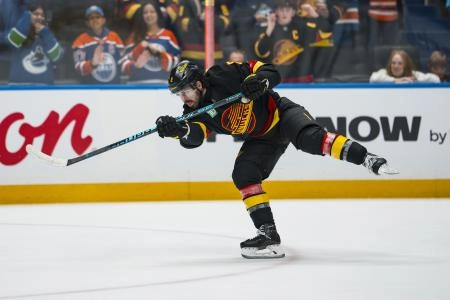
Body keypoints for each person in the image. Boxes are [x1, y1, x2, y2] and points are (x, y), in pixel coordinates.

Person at [155, 59, 399, 259]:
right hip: (262, 139)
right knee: (243, 174)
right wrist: (178, 131)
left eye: (184, 92)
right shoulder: (192, 112)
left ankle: (367, 158)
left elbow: (271, 70)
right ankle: (268, 235)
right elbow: (195, 136)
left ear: (198, 84)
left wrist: (259, 80)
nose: (182, 99)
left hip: (282, 114)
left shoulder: (224, 73)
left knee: (310, 139)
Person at [253, 0, 332, 83]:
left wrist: (314, 14)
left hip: (302, 78)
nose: (284, 13)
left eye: (287, 10)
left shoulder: (302, 26)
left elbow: (325, 32)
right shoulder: (268, 29)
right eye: (281, 10)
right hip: (278, 79)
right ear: (276, 12)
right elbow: (261, 52)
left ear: (293, 12)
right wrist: (269, 29)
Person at [120, 0, 180, 83]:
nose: (149, 15)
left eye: (152, 12)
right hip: (137, 87)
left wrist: (159, 54)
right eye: (145, 13)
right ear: (142, 16)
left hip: (163, 86)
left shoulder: (168, 35)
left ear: (158, 14)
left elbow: (178, 64)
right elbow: (122, 63)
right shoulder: (135, 36)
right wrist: (135, 65)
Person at [6, 1, 63, 84]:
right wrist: (27, 18)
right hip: (18, 89)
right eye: (36, 14)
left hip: (44, 89)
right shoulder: (16, 32)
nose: (39, 17)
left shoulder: (49, 35)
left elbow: (56, 57)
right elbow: (14, 40)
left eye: (42, 15)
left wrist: (45, 33)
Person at [72, 5, 125, 84]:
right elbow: (78, 67)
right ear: (87, 23)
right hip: (91, 90)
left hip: (113, 88)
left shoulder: (114, 37)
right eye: (91, 18)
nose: (95, 20)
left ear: (103, 20)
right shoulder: (80, 41)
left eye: (98, 17)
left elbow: (123, 62)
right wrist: (92, 64)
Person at [370, 49, 440, 83]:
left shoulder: (413, 74)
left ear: (405, 65)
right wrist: (395, 80)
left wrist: (416, 80)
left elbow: (436, 79)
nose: (396, 66)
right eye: (393, 63)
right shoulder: (384, 73)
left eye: (400, 63)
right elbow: (373, 78)